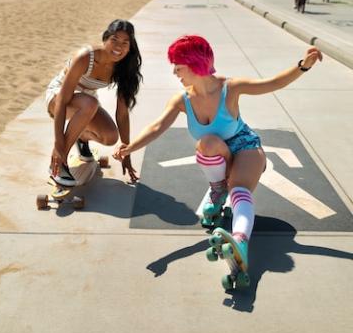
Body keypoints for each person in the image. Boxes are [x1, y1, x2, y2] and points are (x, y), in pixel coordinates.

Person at [113, 35, 322, 274]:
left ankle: (240, 241)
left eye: (178, 67)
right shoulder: (182, 100)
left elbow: (272, 83)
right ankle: (217, 188)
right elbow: (157, 127)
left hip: (246, 149)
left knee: (239, 192)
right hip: (217, 156)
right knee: (208, 143)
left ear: (195, 64)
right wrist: (130, 147)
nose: (174, 72)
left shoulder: (230, 88)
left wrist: (303, 65)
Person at [46, 19, 142, 186]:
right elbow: (62, 100)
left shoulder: (123, 67)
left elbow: (122, 113)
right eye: (114, 40)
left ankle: (81, 137)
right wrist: (58, 142)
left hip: (86, 103)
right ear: (105, 39)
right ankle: (59, 164)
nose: (119, 47)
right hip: (58, 97)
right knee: (90, 103)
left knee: (110, 137)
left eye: (125, 42)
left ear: (130, 46)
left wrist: (127, 152)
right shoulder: (85, 57)